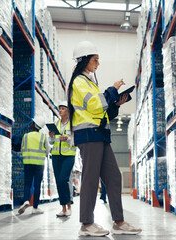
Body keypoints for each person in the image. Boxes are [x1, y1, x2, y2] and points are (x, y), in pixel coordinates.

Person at [67, 41, 142, 236]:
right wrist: (112, 90)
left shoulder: (90, 82)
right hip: (89, 136)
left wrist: (116, 103)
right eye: (95, 60)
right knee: (90, 179)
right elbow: (93, 106)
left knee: (114, 177)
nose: (98, 64)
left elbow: (103, 113)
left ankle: (119, 221)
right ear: (85, 60)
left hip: (100, 135)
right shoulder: (79, 82)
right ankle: (86, 223)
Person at [49, 101, 77, 217]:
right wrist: (51, 136)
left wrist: (68, 139)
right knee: (58, 181)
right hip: (56, 156)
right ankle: (63, 208)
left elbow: (76, 141)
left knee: (63, 179)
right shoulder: (56, 124)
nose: (60, 111)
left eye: (63, 109)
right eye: (59, 109)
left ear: (68, 111)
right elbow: (51, 142)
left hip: (69, 156)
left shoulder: (73, 124)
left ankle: (69, 206)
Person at [17, 117, 49, 215]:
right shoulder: (43, 137)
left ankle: (26, 200)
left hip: (28, 163)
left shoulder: (26, 136)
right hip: (39, 164)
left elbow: (22, 149)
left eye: (32, 123)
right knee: (37, 186)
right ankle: (35, 207)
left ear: (35, 125)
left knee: (27, 183)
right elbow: (47, 151)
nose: (30, 124)